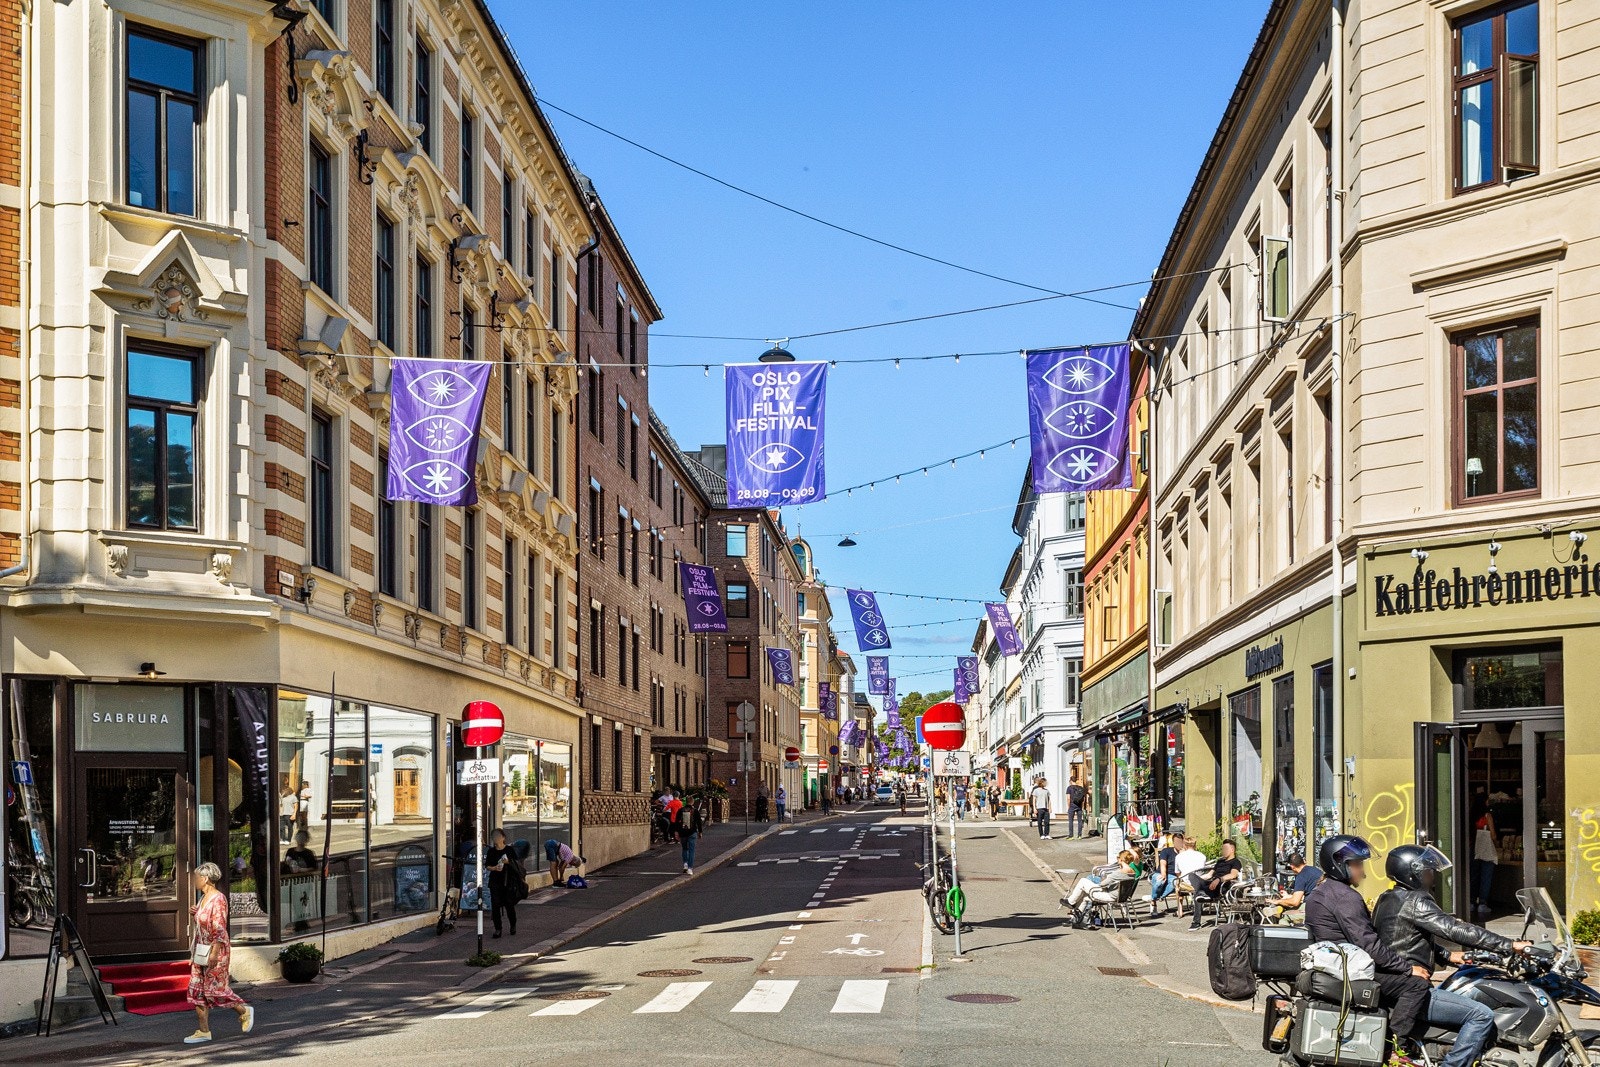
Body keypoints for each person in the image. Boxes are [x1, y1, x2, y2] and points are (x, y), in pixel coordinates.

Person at [1375, 843, 1529, 1067]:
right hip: (1408, 987)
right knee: (1481, 1015)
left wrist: (1448, 956)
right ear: (1412, 874)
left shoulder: (1388, 898)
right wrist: (1509, 945)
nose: (1431, 876)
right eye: (1427, 871)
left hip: (1392, 982)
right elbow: (1455, 929)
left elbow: (1404, 938)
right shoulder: (1415, 900)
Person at [1305, 835, 1430, 1064]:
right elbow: (1368, 944)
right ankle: (1394, 1048)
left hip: (1334, 965)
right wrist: (1407, 968)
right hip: (1349, 969)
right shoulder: (1346, 897)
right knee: (1416, 985)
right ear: (1340, 865)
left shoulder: (1319, 892)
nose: (1362, 872)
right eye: (1357, 865)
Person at [184, 862, 253, 1044]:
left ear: (205, 878)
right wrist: (195, 913)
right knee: (197, 990)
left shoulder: (218, 899)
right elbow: (205, 922)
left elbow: (220, 928)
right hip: (201, 949)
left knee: (215, 990)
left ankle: (244, 1010)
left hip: (216, 950)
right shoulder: (203, 898)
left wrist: (215, 953)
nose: (194, 880)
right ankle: (203, 1031)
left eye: (197, 877)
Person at [1065, 850, 1140, 927]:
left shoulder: (1119, 873)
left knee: (1083, 881)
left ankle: (1071, 902)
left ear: (1121, 859)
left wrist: (1099, 881)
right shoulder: (1133, 872)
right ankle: (1077, 919)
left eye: (1118, 857)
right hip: (1122, 897)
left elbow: (1102, 884)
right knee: (1084, 897)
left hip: (1111, 896)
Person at [1187, 839, 1242, 929]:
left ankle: (1196, 922)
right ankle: (1202, 893)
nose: (1223, 851)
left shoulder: (1235, 862)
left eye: (1225, 849)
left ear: (1232, 850)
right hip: (1210, 883)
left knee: (1197, 893)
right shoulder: (1220, 862)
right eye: (1222, 849)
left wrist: (1219, 879)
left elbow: (1233, 875)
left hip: (1221, 886)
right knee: (1192, 875)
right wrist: (1197, 881)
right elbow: (1209, 875)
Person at [485, 829, 523, 938]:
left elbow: (517, 864)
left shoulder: (509, 850)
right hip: (495, 881)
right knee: (495, 905)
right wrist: (494, 868)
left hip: (508, 881)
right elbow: (487, 865)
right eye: (494, 837)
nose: (496, 839)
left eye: (498, 836)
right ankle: (498, 929)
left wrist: (508, 862)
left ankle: (513, 924)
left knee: (509, 904)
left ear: (503, 837)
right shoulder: (491, 851)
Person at [1268, 851, 1322, 919]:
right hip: (1322, 905)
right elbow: (1307, 895)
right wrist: (1288, 896)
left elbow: (1295, 902)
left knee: (1284, 917)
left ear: (1292, 866)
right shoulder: (1314, 870)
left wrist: (1278, 901)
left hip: (1313, 908)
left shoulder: (1301, 876)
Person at [1472, 810, 1499, 915]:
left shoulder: (1471, 814)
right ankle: (1482, 903)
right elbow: (1493, 835)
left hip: (1474, 849)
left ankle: (1471, 901)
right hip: (1486, 850)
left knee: (1474, 876)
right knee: (1486, 876)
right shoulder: (1487, 815)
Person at [1149, 834, 1180, 916]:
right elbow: (1163, 863)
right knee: (1160, 881)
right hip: (1160, 872)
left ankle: (1158, 898)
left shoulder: (1183, 854)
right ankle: (1153, 901)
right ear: (1173, 842)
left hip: (1173, 875)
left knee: (1175, 883)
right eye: (1177, 842)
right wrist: (1163, 874)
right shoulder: (1166, 851)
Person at [675, 796, 700, 875]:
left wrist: (676, 832)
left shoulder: (680, 810)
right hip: (692, 832)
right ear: (692, 802)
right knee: (691, 850)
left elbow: (676, 822)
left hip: (682, 832)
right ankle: (690, 868)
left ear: (686, 801)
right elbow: (699, 822)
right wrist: (700, 832)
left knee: (685, 848)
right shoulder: (695, 811)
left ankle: (685, 864)